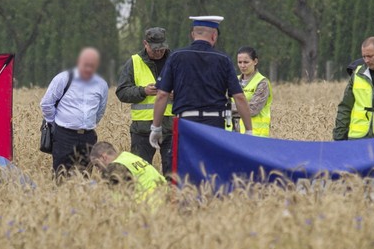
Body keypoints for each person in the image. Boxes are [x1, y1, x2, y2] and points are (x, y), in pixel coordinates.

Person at [150, 16, 253, 149]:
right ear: (214, 35)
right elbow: (239, 97)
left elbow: (162, 95)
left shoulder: (176, 57)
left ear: (193, 34)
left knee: (185, 167)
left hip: (186, 124)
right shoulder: (223, 60)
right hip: (215, 125)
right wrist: (249, 130)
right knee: (211, 167)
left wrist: (156, 128)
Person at [40, 47, 109, 173]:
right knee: (61, 175)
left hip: (88, 137)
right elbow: (46, 104)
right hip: (63, 136)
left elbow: (100, 111)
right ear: (79, 62)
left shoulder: (102, 84)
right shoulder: (63, 79)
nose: (88, 68)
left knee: (85, 175)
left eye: (92, 65)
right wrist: (54, 124)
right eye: (86, 65)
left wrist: (87, 123)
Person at [116, 27, 173, 175]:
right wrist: (143, 91)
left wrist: (177, 94)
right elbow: (122, 92)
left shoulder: (175, 60)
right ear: (145, 44)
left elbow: (190, 88)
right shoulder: (134, 62)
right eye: (155, 49)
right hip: (142, 129)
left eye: (161, 48)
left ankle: (171, 198)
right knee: (139, 174)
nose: (159, 52)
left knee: (173, 174)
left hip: (172, 129)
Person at [90, 141, 166, 202]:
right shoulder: (128, 156)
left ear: (104, 157)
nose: (98, 170)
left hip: (150, 205)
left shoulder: (113, 168)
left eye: (97, 165)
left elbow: (116, 201)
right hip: (166, 195)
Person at [227, 46, 273, 137]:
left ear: (255, 61)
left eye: (246, 62)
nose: (242, 66)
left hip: (255, 135)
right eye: (240, 62)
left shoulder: (262, 82)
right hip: (232, 135)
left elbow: (253, 109)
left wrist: (227, 108)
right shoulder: (233, 80)